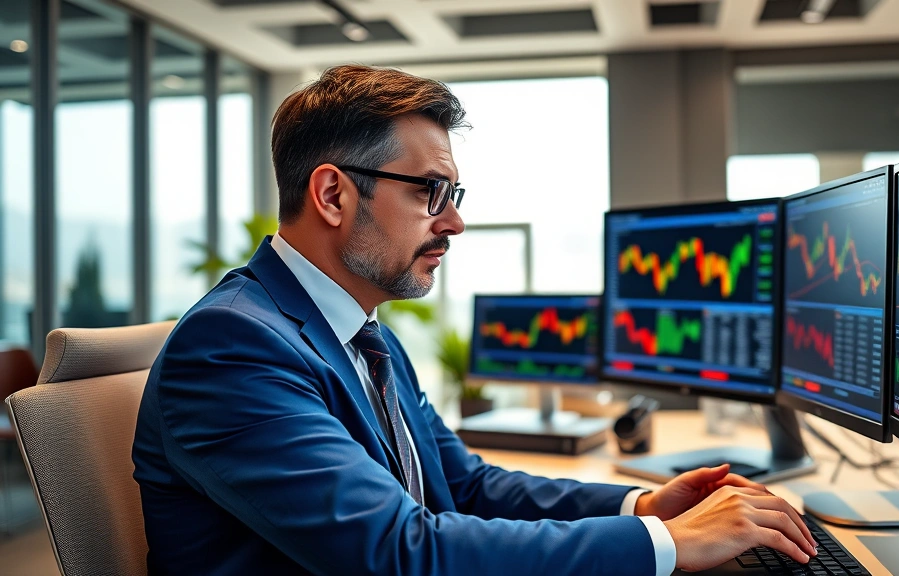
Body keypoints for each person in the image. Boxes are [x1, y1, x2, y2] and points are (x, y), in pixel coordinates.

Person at [132, 64, 817, 576]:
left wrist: (640, 509)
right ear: (334, 194)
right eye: (431, 192)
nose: (454, 222)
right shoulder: (233, 347)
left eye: (453, 193)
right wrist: (670, 543)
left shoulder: (363, 335)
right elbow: (398, 553)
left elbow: (463, 486)